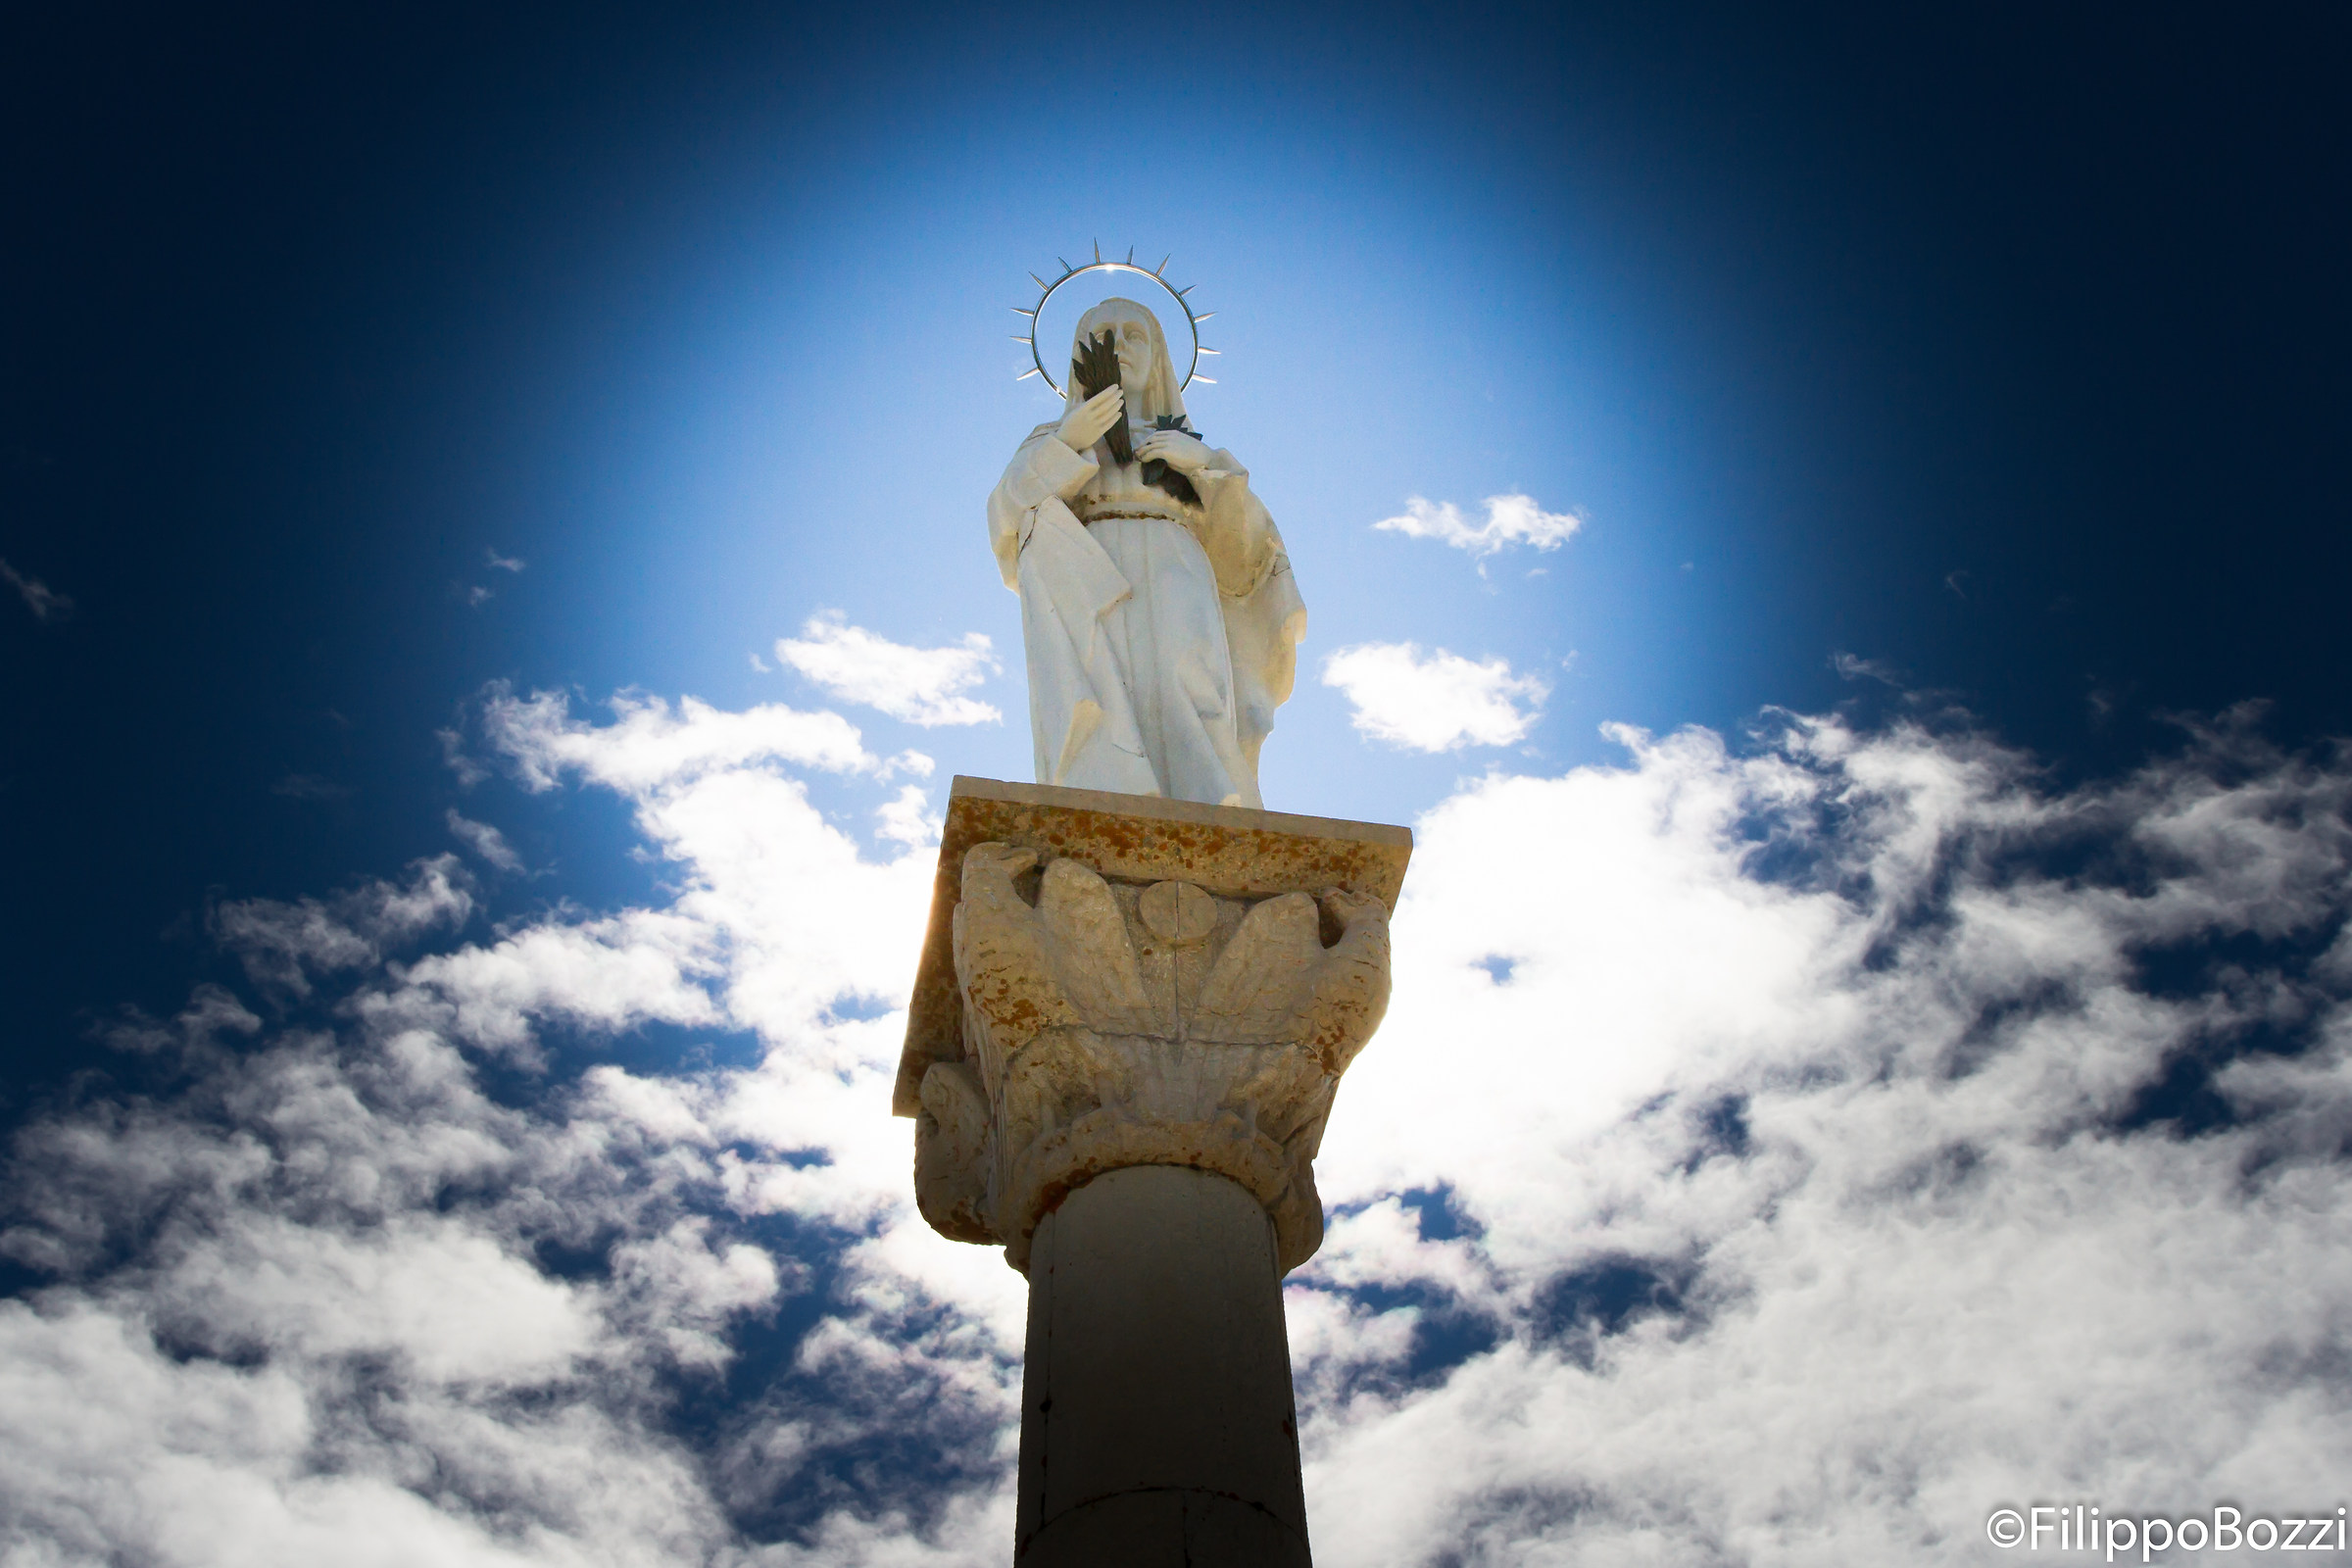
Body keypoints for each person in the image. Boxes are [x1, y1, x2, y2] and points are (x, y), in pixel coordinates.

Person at [986, 298, 1305, 808]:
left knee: (1187, 683)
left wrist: (1206, 466)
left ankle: (1207, 803)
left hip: (1176, 566)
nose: (1121, 345)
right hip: (1091, 574)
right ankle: (1106, 796)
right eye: (1105, 333)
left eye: (1135, 334)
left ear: (1158, 356)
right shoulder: (1051, 439)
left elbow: (1247, 552)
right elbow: (1007, 518)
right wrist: (1070, 442)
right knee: (1106, 689)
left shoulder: (1186, 448)